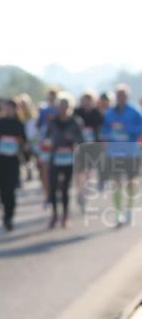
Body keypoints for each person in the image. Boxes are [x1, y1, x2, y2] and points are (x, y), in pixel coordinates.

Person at [101, 84, 142, 227]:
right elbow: (105, 129)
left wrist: (126, 128)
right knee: (116, 182)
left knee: (131, 182)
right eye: (119, 95)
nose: (121, 98)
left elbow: (140, 128)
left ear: (127, 96)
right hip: (115, 152)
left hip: (131, 152)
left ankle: (129, 208)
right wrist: (107, 136)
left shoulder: (135, 112)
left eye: (123, 95)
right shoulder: (110, 113)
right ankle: (118, 213)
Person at [0, 99, 27, 231]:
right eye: (6, 108)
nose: (8, 110)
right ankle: (5, 213)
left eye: (10, 108)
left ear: (15, 109)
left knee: (11, 188)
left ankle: (10, 214)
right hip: (0, 159)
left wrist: (20, 145)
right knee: (2, 188)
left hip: (13, 160)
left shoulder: (19, 124)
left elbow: (24, 141)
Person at [44, 93, 85, 229]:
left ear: (70, 107)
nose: (63, 108)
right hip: (55, 158)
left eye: (66, 106)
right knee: (53, 187)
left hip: (69, 158)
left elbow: (82, 140)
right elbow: (46, 137)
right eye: (61, 106)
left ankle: (65, 216)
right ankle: (54, 215)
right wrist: (48, 143)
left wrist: (72, 139)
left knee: (65, 188)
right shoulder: (53, 121)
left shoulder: (76, 122)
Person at [73, 91, 103, 212]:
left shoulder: (97, 114)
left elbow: (101, 130)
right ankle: (80, 192)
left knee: (88, 171)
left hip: (92, 147)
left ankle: (84, 194)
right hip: (79, 146)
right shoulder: (76, 112)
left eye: (89, 100)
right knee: (79, 172)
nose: (86, 103)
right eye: (85, 100)